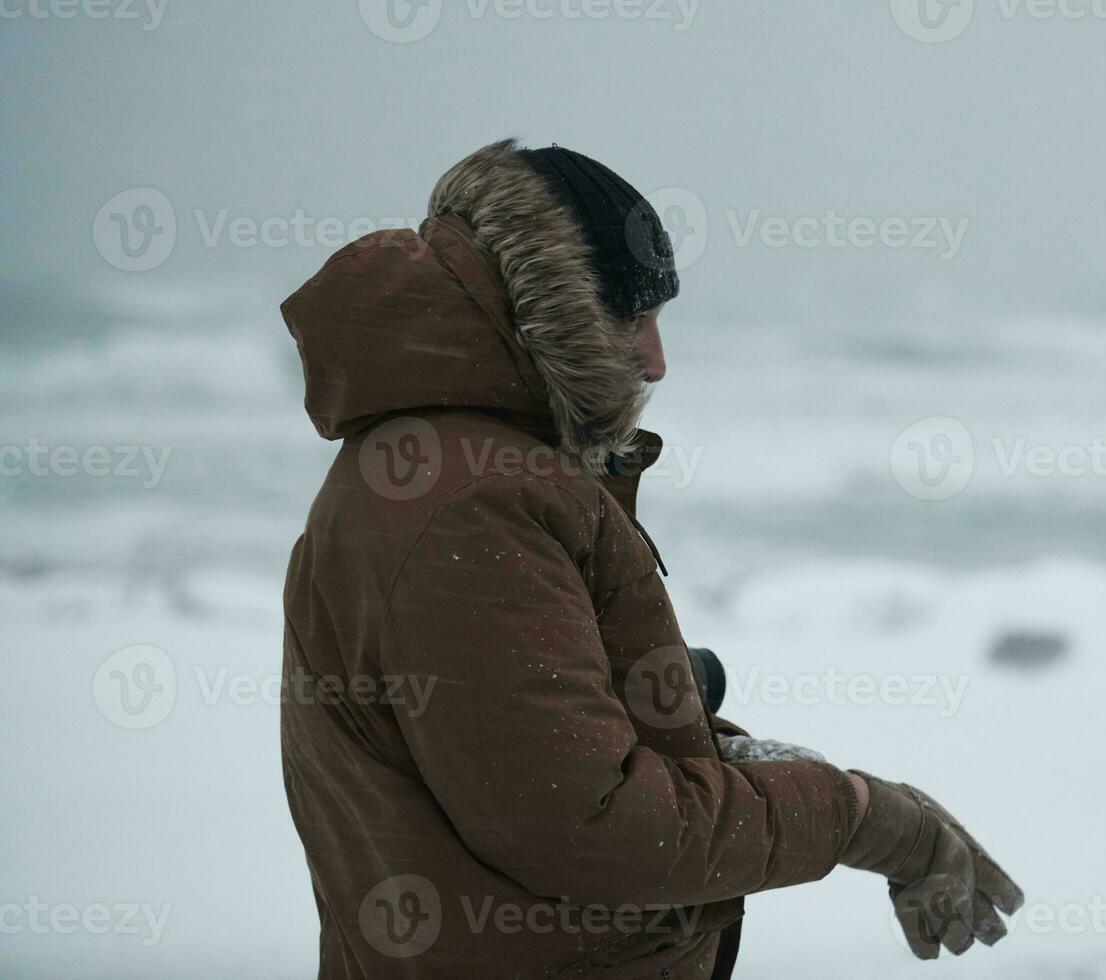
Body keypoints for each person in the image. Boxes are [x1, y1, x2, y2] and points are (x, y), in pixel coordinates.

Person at [278, 138, 1021, 979]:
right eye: (631, 316)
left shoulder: (461, 470)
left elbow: (530, 757)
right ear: (551, 308)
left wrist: (718, 751)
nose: (657, 359)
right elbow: (594, 828)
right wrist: (859, 814)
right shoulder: (471, 503)